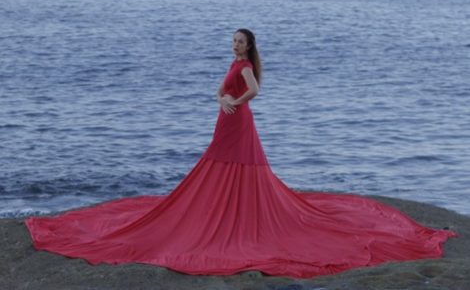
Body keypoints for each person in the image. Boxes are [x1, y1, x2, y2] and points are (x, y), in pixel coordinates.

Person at [24, 28, 458, 279]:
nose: (234, 47)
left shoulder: (247, 66)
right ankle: (220, 202)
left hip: (238, 122)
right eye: (232, 42)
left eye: (238, 42)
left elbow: (254, 90)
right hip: (228, 120)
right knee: (216, 166)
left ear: (248, 47)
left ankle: (232, 210)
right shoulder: (233, 64)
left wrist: (237, 102)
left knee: (231, 167)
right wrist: (220, 99)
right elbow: (221, 88)